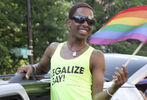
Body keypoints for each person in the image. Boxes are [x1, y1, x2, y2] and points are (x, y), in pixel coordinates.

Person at [17, 2, 128, 100]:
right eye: (80, 19)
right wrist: (32, 67)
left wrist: (114, 88)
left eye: (90, 22)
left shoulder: (96, 56)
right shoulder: (53, 49)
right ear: (69, 22)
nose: (85, 24)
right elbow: (41, 68)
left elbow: (97, 97)